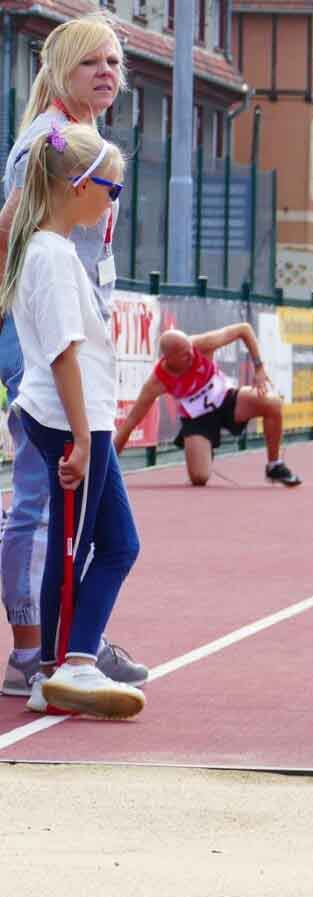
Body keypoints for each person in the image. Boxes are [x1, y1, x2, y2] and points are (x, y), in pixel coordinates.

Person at [0, 14, 145, 698]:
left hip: (69, 339)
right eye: (93, 62)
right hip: (48, 350)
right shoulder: (48, 144)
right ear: (61, 70)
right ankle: (38, 652)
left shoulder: (82, 141)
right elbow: (10, 230)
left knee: (71, 513)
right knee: (46, 503)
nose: (108, 73)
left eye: (114, 62)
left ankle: (67, 645)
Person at [114, 325, 302, 487]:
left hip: (226, 400)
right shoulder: (157, 382)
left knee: (272, 403)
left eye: (190, 349)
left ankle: (274, 465)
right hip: (197, 419)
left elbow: (244, 329)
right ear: (169, 358)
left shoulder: (200, 345)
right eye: (184, 355)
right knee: (199, 478)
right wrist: (108, 468)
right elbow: (130, 423)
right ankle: (204, 447)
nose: (191, 355)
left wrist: (259, 367)